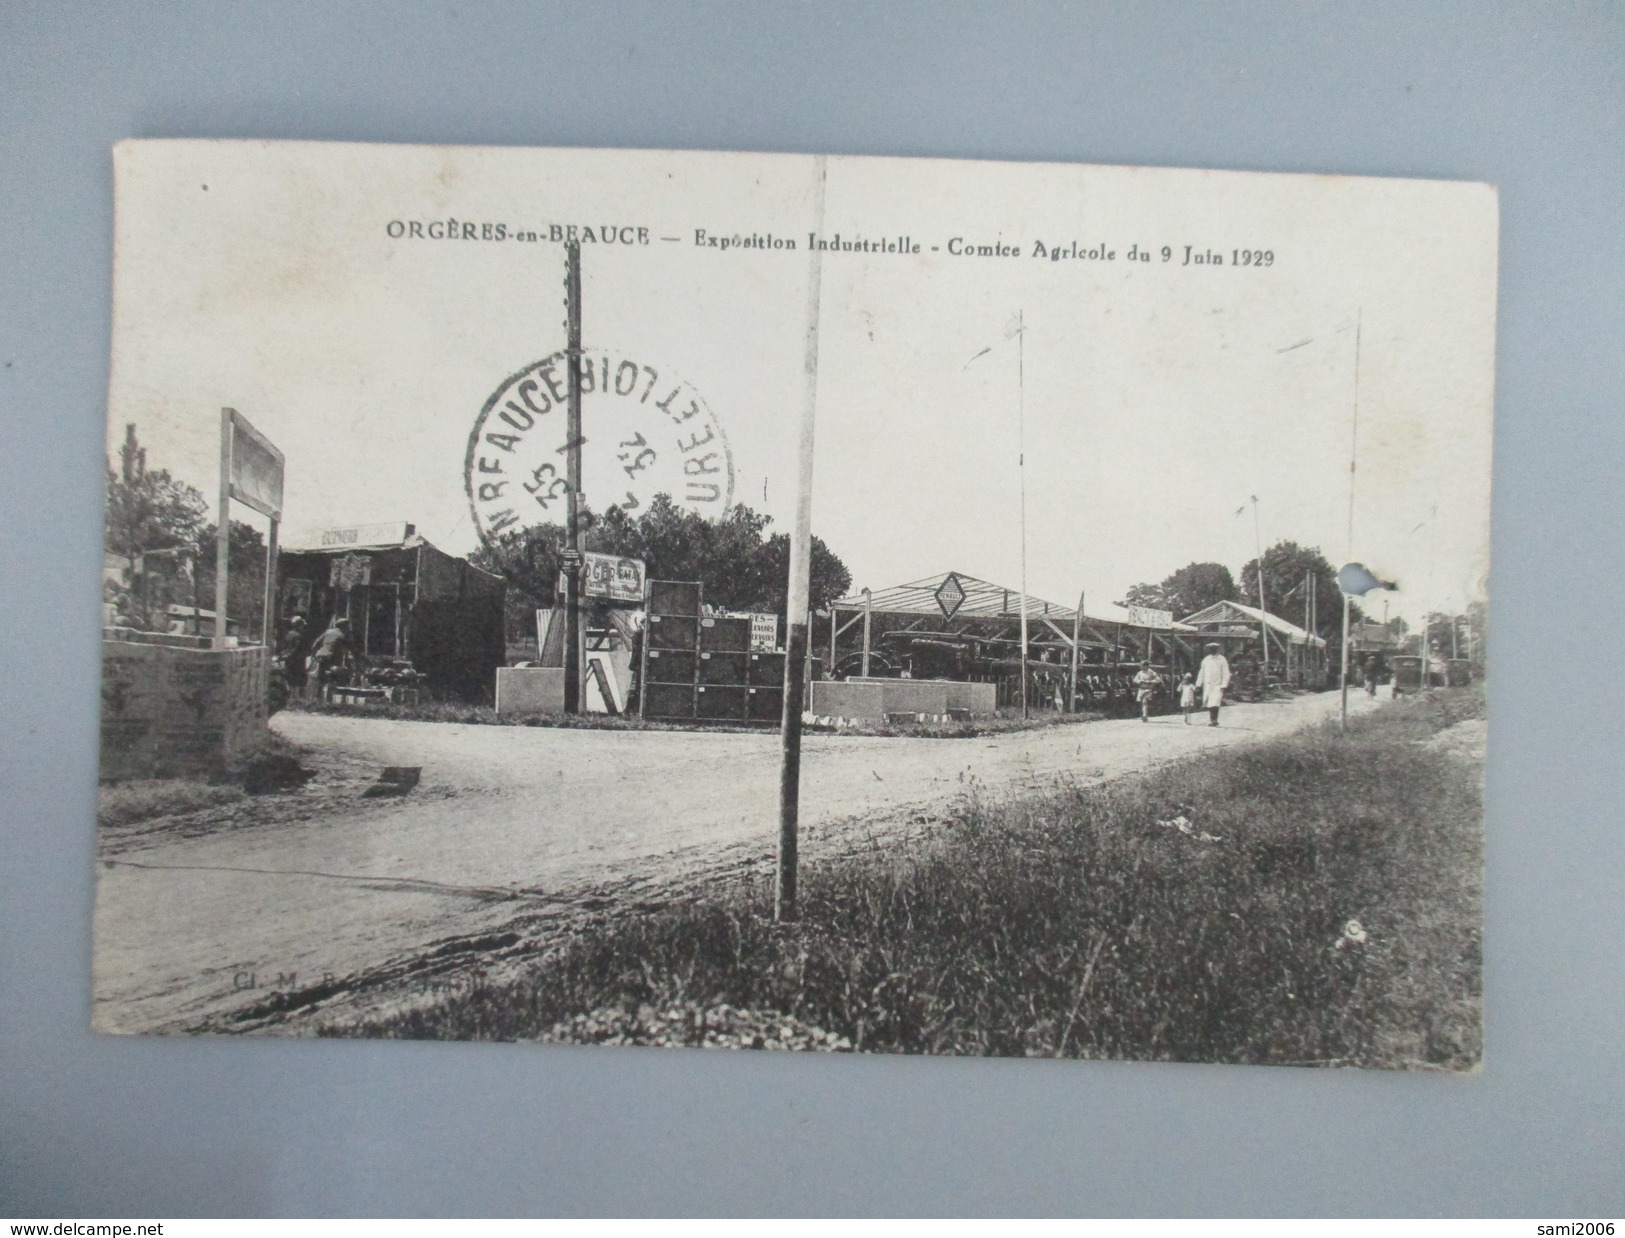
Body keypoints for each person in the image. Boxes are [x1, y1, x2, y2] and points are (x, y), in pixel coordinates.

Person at [309, 616, 353, 694]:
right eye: (347, 627)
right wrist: (347, 664)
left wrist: (313, 655)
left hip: (320, 655)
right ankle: (331, 695)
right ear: (343, 627)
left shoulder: (328, 632)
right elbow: (342, 651)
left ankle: (317, 697)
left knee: (321, 679)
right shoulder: (341, 635)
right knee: (336, 675)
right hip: (331, 657)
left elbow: (315, 644)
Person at [1195, 642, 1231, 726]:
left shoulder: (1222, 659)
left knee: (1215, 702)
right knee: (1209, 703)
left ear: (1217, 649)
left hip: (1217, 684)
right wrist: (1198, 684)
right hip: (1208, 684)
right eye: (1211, 648)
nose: (1212, 650)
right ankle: (1212, 720)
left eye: (1214, 648)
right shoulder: (1206, 660)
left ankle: (1214, 720)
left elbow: (1226, 672)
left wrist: (1224, 684)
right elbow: (1201, 672)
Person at [280, 615, 309, 692]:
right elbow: (296, 648)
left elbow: (286, 647)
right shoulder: (298, 636)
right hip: (297, 660)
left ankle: (292, 698)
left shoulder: (289, 634)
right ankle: (296, 698)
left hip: (289, 659)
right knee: (298, 680)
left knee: (290, 680)